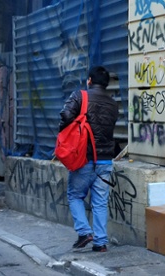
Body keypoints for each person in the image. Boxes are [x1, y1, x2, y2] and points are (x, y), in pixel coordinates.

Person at [58, 66, 118, 252]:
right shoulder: (113, 104)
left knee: (75, 195)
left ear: (90, 80)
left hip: (84, 158)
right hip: (105, 160)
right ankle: (100, 243)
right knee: (100, 202)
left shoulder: (80, 96)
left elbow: (65, 115)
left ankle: (84, 231)